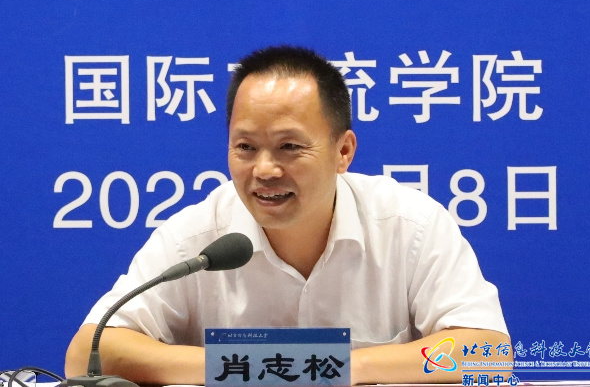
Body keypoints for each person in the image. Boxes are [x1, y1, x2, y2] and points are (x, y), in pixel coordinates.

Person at [65, 45, 511, 385]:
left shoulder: (410, 226)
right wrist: (251, 367)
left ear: (343, 151)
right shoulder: (197, 237)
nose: (264, 170)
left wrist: (345, 367)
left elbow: (488, 353)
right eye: (245, 147)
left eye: (289, 147)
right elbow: (88, 351)